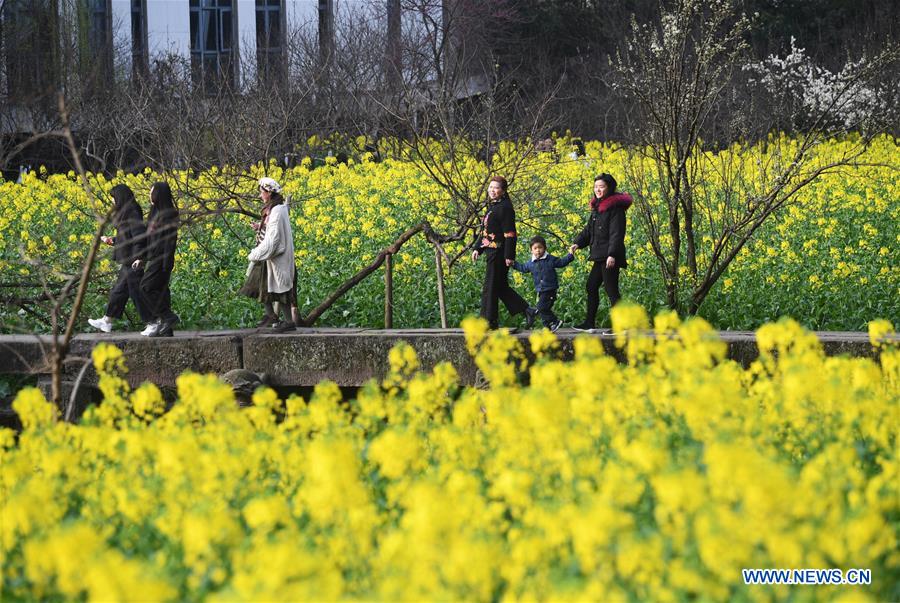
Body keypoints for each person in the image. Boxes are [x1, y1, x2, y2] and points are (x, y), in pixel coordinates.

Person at [569, 173, 633, 331]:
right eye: (596, 186)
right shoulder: (597, 207)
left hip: (609, 256)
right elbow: (588, 230)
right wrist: (577, 243)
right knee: (591, 286)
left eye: (601, 187)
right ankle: (589, 323)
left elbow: (617, 234)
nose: (598, 189)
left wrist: (612, 254)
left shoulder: (615, 209)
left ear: (609, 188)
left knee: (611, 290)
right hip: (599, 255)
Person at [471, 175, 535, 330]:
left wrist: (509, 256)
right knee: (499, 286)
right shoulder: (494, 206)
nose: (492, 190)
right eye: (491, 187)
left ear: (503, 191)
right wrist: (477, 248)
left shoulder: (505, 208)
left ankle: (488, 322)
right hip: (492, 251)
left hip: (499, 253)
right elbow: (486, 232)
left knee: (490, 286)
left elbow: (510, 234)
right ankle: (528, 310)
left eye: (496, 188)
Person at [88, 184, 154, 333]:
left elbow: (139, 236)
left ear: (120, 197)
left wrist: (139, 257)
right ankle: (107, 321)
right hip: (128, 259)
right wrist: (112, 240)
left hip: (134, 260)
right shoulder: (126, 212)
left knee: (137, 293)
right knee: (119, 291)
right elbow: (127, 237)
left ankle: (153, 321)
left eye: (113, 198)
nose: (112, 201)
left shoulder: (132, 212)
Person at [240, 177, 296, 332]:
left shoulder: (277, 211)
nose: (260, 195)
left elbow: (273, 240)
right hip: (268, 256)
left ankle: (289, 322)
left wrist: (254, 254)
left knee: (281, 289)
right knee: (260, 284)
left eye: (262, 192)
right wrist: (260, 226)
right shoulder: (275, 208)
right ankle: (271, 315)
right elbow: (272, 228)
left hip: (274, 256)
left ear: (269, 193)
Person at [132, 182, 180, 337]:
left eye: (152, 192)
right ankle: (166, 329)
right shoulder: (154, 213)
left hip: (162, 259)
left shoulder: (169, 215)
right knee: (160, 291)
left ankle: (168, 316)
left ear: (159, 194)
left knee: (145, 287)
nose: (149, 195)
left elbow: (169, 242)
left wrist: (166, 264)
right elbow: (149, 239)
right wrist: (142, 257)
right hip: (153, 257)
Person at [512, 235, 574, 332]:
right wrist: (513, 264)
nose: (538, 250)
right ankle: (547, 328)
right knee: (543, 309)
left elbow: (561, 262)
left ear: (545, 248)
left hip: (550, 289)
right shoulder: (531, 263)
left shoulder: (550, 259)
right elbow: (523, 268)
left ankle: (555, 321)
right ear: (531, 250)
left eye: (540, 247)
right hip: (540, 290)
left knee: (541, 308)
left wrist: (570, 255)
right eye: (535, 248)